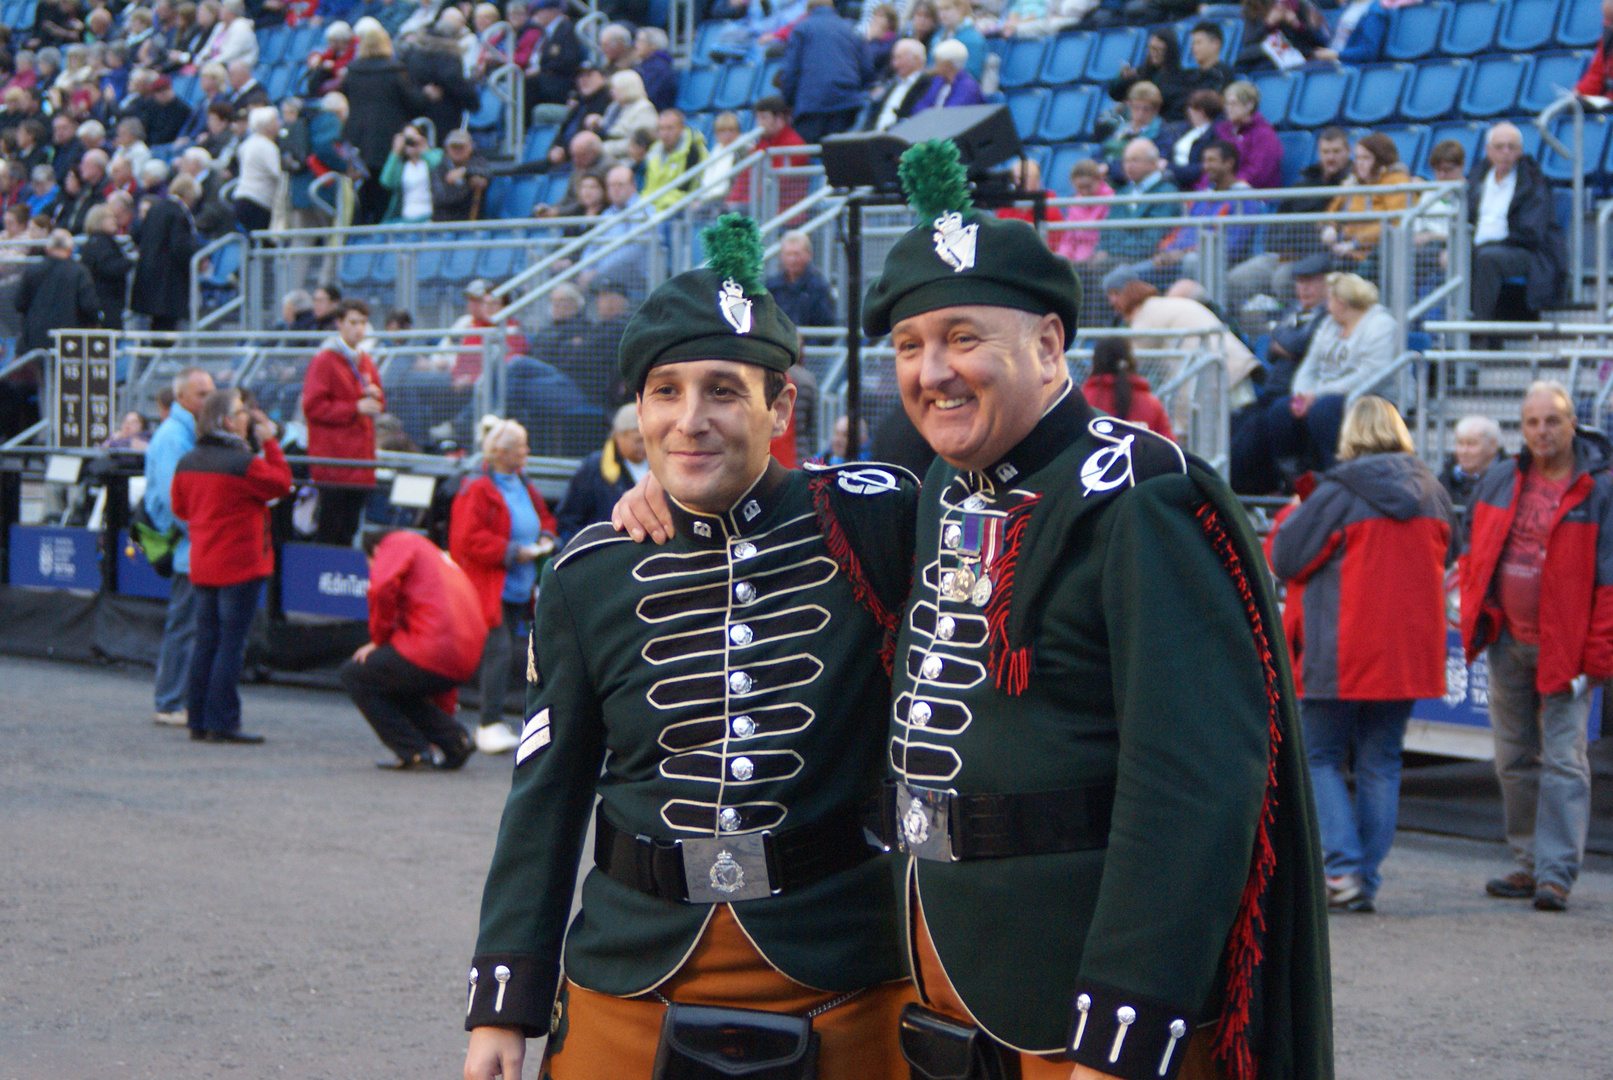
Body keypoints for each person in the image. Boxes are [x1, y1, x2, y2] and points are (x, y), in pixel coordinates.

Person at [852, 139, 1329, 1079]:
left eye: (961, 337)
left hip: (1081, 1007)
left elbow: (1193, 783)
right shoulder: (945, 488)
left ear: (1045, 343)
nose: (932, 371)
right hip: (946, 969)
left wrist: (1126, 1021)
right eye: (909, 346)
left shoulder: (1141, 496)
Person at [462, 217, 920, 1080]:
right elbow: (545, 797)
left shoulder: (871, 518)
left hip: (843, 966)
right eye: (664, 393)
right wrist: (502, 1002)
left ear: (780, 405)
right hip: (631, 971)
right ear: (637, 412)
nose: (690, 419)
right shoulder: (590, 573)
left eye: (721, 391)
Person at [1268, 396, 1451, 913]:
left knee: (1320, 757)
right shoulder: (1433, 491)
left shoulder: (1339, 491)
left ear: (1351, 434)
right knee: (1381, 764)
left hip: (1341, 647)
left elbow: (1286, 556)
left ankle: (1343, 868)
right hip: (1409, 652)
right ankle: (1364, 878)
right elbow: (1448, 554)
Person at [1459, 381, 1611, 913]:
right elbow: (1472, 551)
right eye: (1531, 422)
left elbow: (1611, 584)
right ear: (1519, 428)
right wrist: (1482, 616)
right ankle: (1527, 863)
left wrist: (1596, 659)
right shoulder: (1501, 480)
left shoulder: (1600, 489)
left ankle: (1555, 875)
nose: (1541, 431)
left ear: (1574, 423)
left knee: (1565, 762)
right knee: (1513, 759)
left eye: (1552, 420)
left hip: (1566, 651)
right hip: (1508, 642)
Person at [169, 386, 292, 744]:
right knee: (230, 645)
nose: (248, 419)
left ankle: (199, 719)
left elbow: (180, 509)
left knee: (206, 641)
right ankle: (223, 721)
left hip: (204, 563)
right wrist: (271, 443)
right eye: (242, 413)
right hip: (240, 564)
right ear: (227, 420)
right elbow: (282, 484)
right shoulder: (244, 463)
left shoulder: (188, 461)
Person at [450, 419, 560, 755]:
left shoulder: (524, 483)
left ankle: (496, 721)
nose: (527, 451)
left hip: (519, 584)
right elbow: (466, 540)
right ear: (502, 452)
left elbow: (545, 518)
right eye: (522, 446)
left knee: (507, 652)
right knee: (497, 653)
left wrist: (545, 536)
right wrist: (512, 551)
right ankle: (488, 723)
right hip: (489, 585)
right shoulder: (478, 488)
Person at [342, 528, 487, 770]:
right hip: (466, 654)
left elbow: (380, 587)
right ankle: (455, 740)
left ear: (375, 551)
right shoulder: (434, 556)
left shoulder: (396, 543)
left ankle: (412, 750)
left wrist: (379, 639)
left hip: (433, 648)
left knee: (354, 674)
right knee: (398, 682)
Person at [145, 367, 215, 727]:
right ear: (182, 399)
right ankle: (170, 701)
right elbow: (178, 502)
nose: (208, 399)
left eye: (211, 392)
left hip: (195, 542)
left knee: (192, 625)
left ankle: (178, 698)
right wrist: (204, 533)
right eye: (202, 393)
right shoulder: (175, 438)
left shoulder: (188, 433)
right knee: (185, 625)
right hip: (190, 544)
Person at [301, 298, 385, 545]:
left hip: (360, 463)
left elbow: (379, 400)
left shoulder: (365, 359)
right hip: (335, 464)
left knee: (348, 531)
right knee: (330, 530)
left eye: (363, 323)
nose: (359, 328)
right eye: (353, 322)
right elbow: (313, 407)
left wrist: (375, 398)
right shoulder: (325, 360)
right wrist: (354, 407)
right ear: (339, 323)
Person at [1466, 122, 1567, 324]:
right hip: (1478, 247)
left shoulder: (1534, 182)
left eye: (1511, 147)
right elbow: (1466, 218)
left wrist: (1487, 244)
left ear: (1520, 151)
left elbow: (1531, 233)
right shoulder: (1477, 179)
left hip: (1524, 252)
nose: (1506, 152)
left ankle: (1479, 333)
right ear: (1488, 151)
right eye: (1499, 146)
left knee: (1487, 258)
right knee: (1447, 256)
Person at [341, 23, 428, 225]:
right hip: (386, 142)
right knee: (385, 197)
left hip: (357, 141)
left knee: (360, 199)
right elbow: (414, 103)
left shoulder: (352, 72)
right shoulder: (395, 70)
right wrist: (427, 96)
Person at [780, 0, 872, 144]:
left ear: (808, 10)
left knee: (810, 159)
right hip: (846, 105)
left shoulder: (801, 28)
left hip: (811, 108)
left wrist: (789, 102)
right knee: (839, 158)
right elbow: (867, 70)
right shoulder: (851, 29)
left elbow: (791, 73)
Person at [554, 403, 644, 546]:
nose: (644, 446)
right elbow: (568, 519)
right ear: (618, 436)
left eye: (648, 439)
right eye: (638, 440)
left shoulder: (660, 467)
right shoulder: (594, 467)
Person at [1321, 132, 1410, 268]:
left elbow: (1393, 221)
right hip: (1342, 251)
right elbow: (1332, 211)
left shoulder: (1397, 182)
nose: (1360, 163)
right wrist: (1329, 227)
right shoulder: (1352, 183)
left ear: (1381, 160)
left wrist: (1356, 243)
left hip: (1375, 256)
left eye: (1366, 158)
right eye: (1358, 158)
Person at [130, 173, 201, 334]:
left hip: (148, 276)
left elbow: (137, 235)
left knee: (155, 326)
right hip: (169, 281)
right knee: (166, 329)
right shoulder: (179, 214)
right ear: (187, 196)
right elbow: (180, 247)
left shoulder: (155, 208)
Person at [14, 228, 99, 354]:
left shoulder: (33, 271)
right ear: (70, 250)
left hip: (35, 338)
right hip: (70, 341)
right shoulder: (79, 272)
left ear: (47, 248)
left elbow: (19, 304)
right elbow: (89, 306)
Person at [1081, 336, 1174, 438]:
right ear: (1130, 360)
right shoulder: (1152, 404)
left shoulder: (1083, 400)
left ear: (1096, 361)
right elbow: (1170, 447)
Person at [1213, 80, 1282, 189]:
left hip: (1250, 196)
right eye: (1226, 104)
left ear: (1249, 105)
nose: (1228, 108)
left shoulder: (1264, 135)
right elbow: (1213, 166)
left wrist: (1228, 185)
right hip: (1222, 191)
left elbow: (1257, 172)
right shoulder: (1223, 131)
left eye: (1233, 103)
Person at [1108, 29, 1190, 122]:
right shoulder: (1142, 71)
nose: (1154, 53)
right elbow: (1114, 93)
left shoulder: (1179, 78)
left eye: (1158, 49)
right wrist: (1124, 78)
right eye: (1151, 48)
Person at [766, 230, 836, 328]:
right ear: (781, 256)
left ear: (809, 255)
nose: (792, 260)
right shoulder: (772, 286)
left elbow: (826, 325)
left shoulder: (819, 287)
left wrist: (806, 341)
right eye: (788, 254)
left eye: (796, 254)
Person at [640, 108, 706, 211]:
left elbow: (685, 192)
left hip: (678, 211)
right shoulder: (654, 151)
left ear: (681, 128)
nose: (665, 133)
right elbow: (649, 187)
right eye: (661, 129)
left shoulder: (693, 151)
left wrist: (656, 208)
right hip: (653, 209)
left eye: (669, 128)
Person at [1051, 158, 1112, 265]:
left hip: (1097, 253)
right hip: (1076, 252)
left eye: (1088, 186)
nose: (1085, 192)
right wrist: (1062, 257)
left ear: (1099, 180)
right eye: (1080, 187)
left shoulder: (1110, 200)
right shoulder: (1074, 203)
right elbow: (1068, 238)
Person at [79, 205, 131, 331]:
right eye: (109, 217)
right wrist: (129, 262)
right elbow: (110, 267)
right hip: (105, 302)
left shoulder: (96, 242)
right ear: (97, 221)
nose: (114, 220)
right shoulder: (101, 244)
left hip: (103, 301)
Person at [232, 105, 281, 235]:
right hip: (259, 200)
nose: (279, 124)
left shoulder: (246, 144)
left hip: (241, 197)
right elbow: (278, 173)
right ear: (267, 126)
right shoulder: (267, 147)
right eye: (276, 121)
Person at [1098, 81, 1164, 175]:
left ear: (1156, 110)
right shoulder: (1120, 130)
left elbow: (1144, 168)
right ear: (1129, 106)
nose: (1140, 114)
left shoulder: (1161, 133)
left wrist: (1109, 169)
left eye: (1146, 109)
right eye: (1136, 108)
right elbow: (1099, 154)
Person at [865, 37, 931, 132]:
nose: (895, 64)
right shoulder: (894, 83)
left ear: (916, 59)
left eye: (899, 58)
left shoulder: (925, 85)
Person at [1439, 414, 1504, 509]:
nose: (1464, 451)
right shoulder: (1444, 480)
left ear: (1493, 445)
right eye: (1460, 443)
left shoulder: (1508, 481)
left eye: (1471, 444)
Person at [379, 122, 439, 223]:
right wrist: (395, 152)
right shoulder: (402, 166)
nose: (410, 143)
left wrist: (424, 150)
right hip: (406, 218)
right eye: (406, 140)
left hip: (429, 217)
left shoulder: (434, 156)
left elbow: (440, 168)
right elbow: (386, 182)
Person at [593, 69, 657, 162]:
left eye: (614, 88)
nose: (611, 92)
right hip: (605, 153)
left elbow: (638, 143)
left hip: (625, 159)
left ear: (626, 88)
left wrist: (603, 148)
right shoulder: (614, 107)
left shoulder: (644, 109)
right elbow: (606, 128)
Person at [431, 128, 490, 221]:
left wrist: (464, 171)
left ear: (470, 147)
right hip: (444, 222)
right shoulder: (439, 170)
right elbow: (441, 199)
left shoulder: (478, 163)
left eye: (461, 146)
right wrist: (468, 187)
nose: (457, 150)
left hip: (473, 223)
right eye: (454, 146)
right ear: (447, 148)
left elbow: (488, 173)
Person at [909, 39, 982, 113]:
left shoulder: (968, 87)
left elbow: (951, 113)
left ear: (948, 64)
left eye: (938, 62)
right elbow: (920, 106)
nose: (935, 65)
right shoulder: (937, 81)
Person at [631, 25, 675, 111]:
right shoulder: (647, 65)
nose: (635, 45)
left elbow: (647, 94)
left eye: (640, 41)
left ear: (653, 45)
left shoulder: (658, 68)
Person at [1576, 0, 1613, 100]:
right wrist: (1578, 93)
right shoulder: (1608, 35)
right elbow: (1597, 73)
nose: (1609, 26)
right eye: (1608, 21)